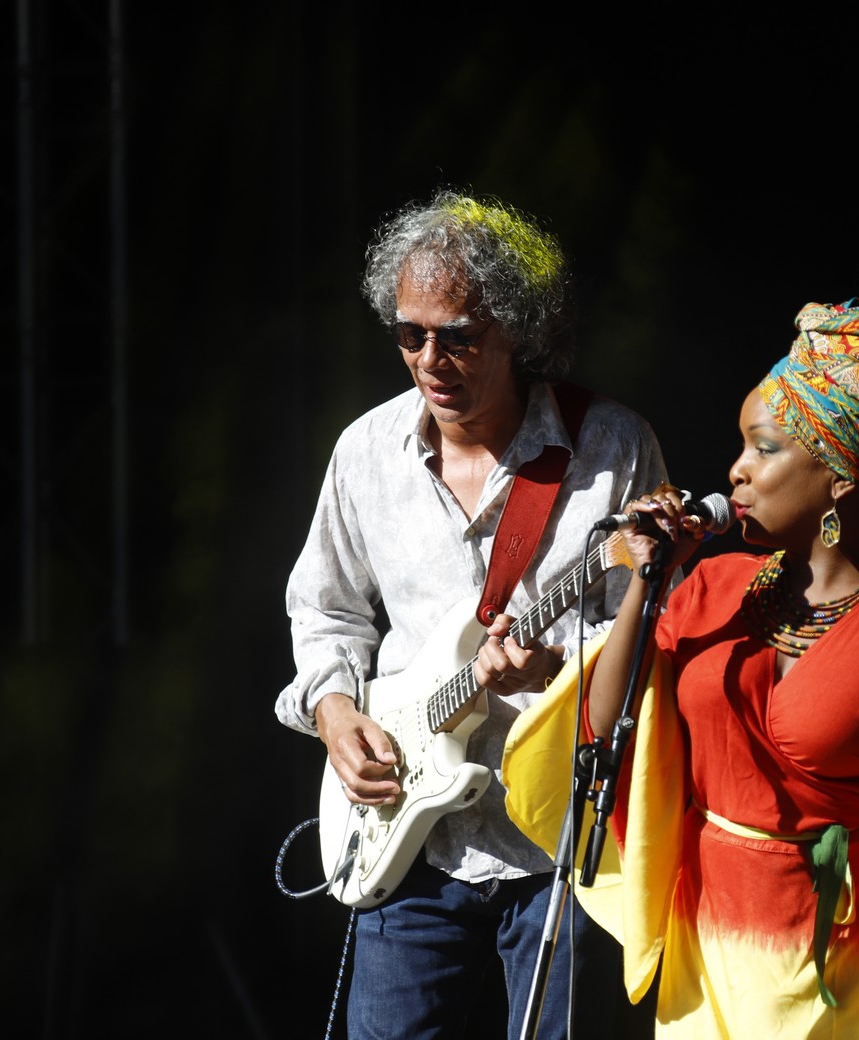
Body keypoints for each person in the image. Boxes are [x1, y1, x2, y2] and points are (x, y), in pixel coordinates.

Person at [502, 274, 859, 1038]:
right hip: (704, 973)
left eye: (764, 447)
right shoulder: (711, 590)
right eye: (743, 445)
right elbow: (601, 730)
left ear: (840, 474)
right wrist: (649, 578)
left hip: (840, 981)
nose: (736, 469)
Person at [275, 189, 672, 1039]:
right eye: (409, 334)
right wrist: (337, 716)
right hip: (410, 838)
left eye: (458, 337)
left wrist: (557, 672)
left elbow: (652, 638)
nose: (430, 359)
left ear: (517, 330)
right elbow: (324, 608)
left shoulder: (611, 449)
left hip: (560, 840)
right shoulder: (366, 451)